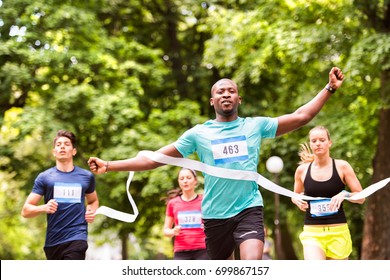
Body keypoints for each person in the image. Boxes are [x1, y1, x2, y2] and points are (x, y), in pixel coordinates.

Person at [88, 67, 344, 260]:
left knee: (251, 266)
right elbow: (154, 159)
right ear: (212, 101)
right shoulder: (198, 134)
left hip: (248, 209)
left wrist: (329, 88)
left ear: (238, 99)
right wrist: (110, 165)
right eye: (220, 91)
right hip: (214, 215)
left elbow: (301, 116)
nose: (226, 94)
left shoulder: (254, 126)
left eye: (231, 90)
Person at [21, 130, 99, 260]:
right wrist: (43, 208)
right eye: (58, 144)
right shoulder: (44, 178)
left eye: (67, 144)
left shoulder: (86, 176)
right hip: (53, 241)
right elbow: (26, 211)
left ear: (74, 151)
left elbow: (93, 201)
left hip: (77, 237)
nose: (62, 146)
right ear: (54, 152)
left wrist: (91, 212)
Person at [291, 126, 365, 260]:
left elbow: (361, 198)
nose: (318, 143)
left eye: (322, 140)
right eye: (313, 141)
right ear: (310, 144)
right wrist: (296, 200)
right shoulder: (301, 170)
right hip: (312, 233)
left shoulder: (342, 166)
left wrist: (345, 194)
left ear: (329, 143)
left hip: (338, 233)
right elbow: (296, 195)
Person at [163, 168, 209, 260]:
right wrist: (173, 231)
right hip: (181, 252)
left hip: (203, 250)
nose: (185, 181)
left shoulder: (204, 201)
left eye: (188, 178)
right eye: (182, 178)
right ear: (179, 182)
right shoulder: (173, 203)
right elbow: (166, 231)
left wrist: (208, 227)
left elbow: (215, 223)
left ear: (195, 181)